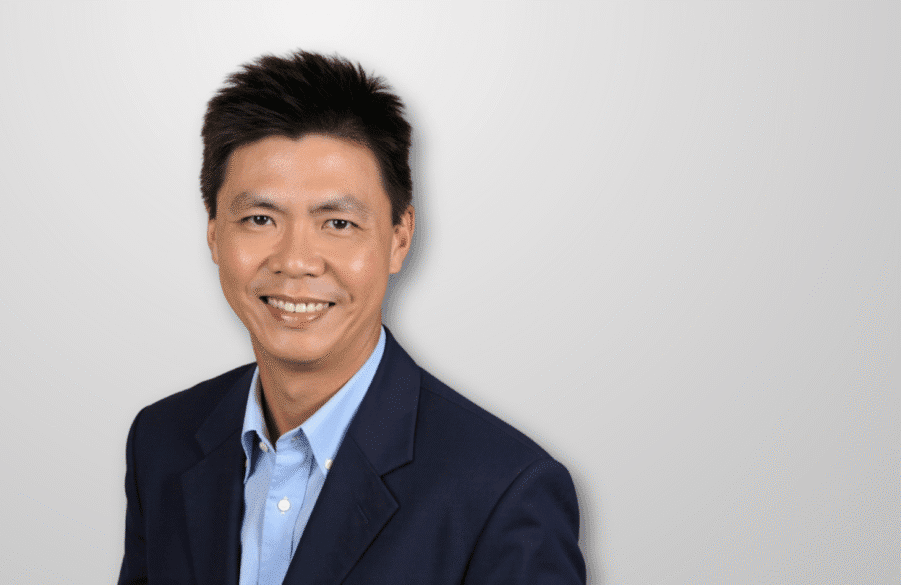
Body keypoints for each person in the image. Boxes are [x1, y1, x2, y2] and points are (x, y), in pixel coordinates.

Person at [118, 50, 586, 585]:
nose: (295, 260)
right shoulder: (162, 441)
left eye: (337, 222)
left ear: (399, 238)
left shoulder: (504, 491)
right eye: (259, 218)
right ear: (214, 235)